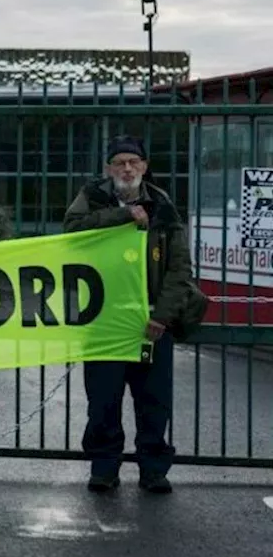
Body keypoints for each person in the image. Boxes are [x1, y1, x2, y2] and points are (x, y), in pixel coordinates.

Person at [62, 135, 193, 494]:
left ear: (144, 167)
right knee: (103, 400)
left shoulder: (162, 204)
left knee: (154, 401)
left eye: (133, 162)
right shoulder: (92, 197)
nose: (126, 168)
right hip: (104, 319)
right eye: (119, 162)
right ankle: (104, 467)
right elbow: (70, 233)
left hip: (151, 324)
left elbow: (179, 267)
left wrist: (162, 316)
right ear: (108, 168)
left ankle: (153, 469)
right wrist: (121, 215)